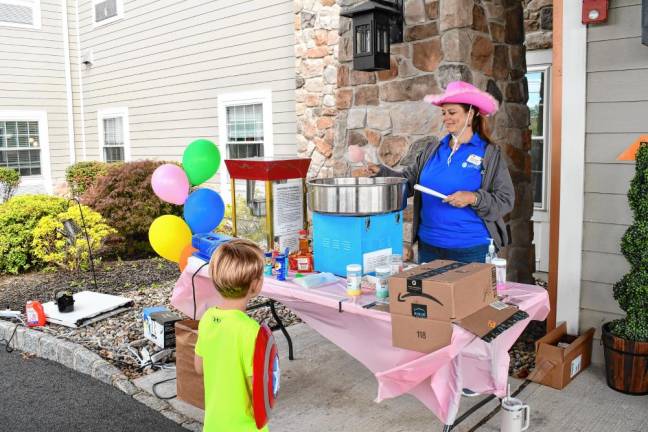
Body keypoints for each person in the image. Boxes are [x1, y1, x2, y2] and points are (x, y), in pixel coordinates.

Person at [357, 81, 514, 264]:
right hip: (429, 247)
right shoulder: (432, 150)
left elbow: (505, 200)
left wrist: (473, 198)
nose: (446, 117)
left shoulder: (489, 154)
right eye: (444, 112)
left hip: (471, 249)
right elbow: (407, 183)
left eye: (452, 112)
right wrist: (381, 172)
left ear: (470, 114)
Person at [194, 239, 269, 432]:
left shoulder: (208, 318)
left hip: (214, 425)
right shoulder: (252, 331)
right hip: (246, 427)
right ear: (257, 285)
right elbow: (260, 392)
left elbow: (198, 367)